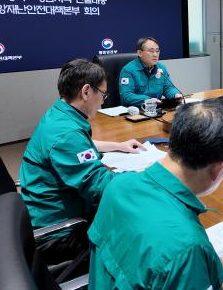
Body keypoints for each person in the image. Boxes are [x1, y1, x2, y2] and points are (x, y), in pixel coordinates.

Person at [88, 98, 223, 290]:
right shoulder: (187, 248)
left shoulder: (119, 184)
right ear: (219, 168)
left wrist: (207, 266)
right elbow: (171, 253)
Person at [20, 59, 145, 263]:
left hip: (48, 212)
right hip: (60, 235)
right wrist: (146, 176)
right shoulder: (66, 134)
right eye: (103, 94)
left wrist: (117, 145)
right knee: (137, 233)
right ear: (86, 91)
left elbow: (80, 145)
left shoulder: (59, 114)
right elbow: (101, 187)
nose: (104, 100)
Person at [119, 37, 182, 107]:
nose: (155, 54)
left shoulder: (161, 68)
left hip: (156, 110)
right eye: (151, 51)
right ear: (139, 53)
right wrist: (148, 100)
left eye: (157, 51)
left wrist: (175, 95)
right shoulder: (128, 70)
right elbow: (126, 96)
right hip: (135, 111)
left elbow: (168, 88)